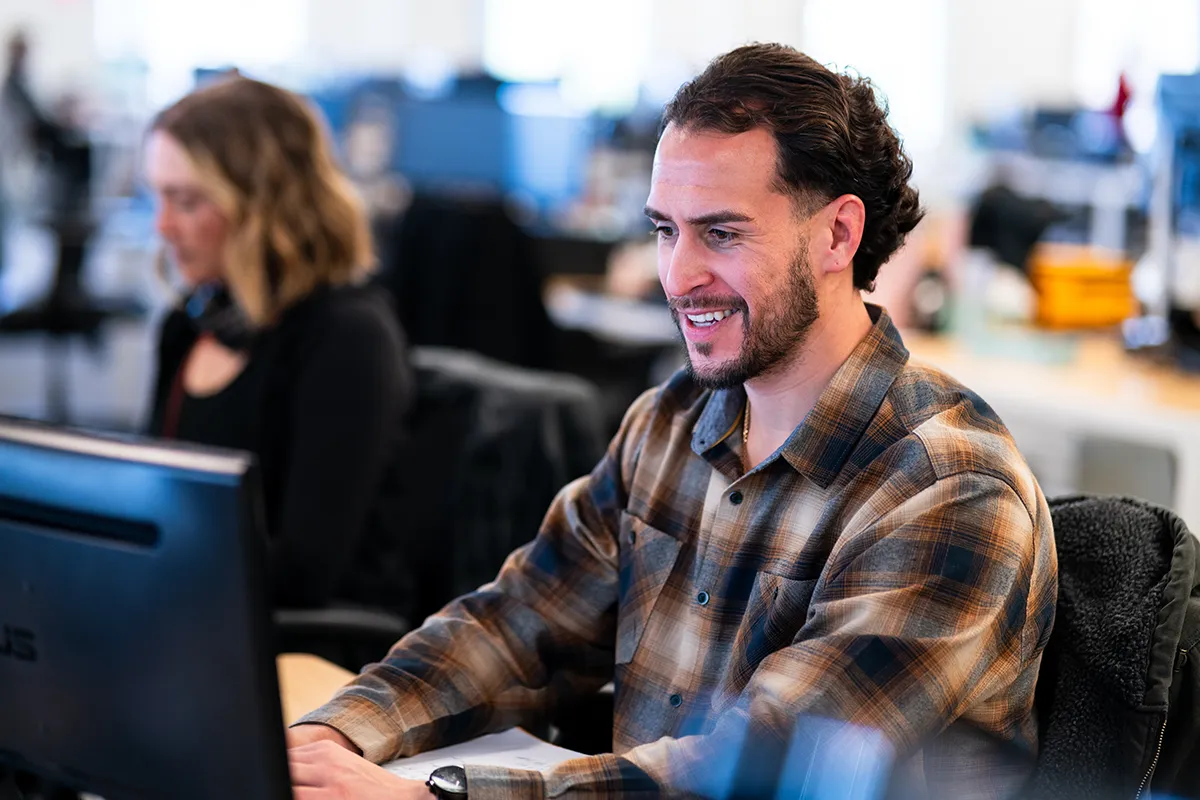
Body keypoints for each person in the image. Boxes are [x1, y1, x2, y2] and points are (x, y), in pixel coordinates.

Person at [286, 44, 1057, 799]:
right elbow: (517, 627)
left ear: (838, 236)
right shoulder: (670, 422)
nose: (679, 276)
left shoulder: (949, 489)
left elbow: (761, 770)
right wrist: (335, 737)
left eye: (720, 233)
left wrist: (442, 796)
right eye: (665, 230)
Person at [144, 77, 414, 611]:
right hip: (191, 612)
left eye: (188, 201)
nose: (164, 226)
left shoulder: (346, 338)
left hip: (305, 649)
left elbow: (302, 575)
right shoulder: (188, 327)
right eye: (159, 197)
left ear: (264, 206)